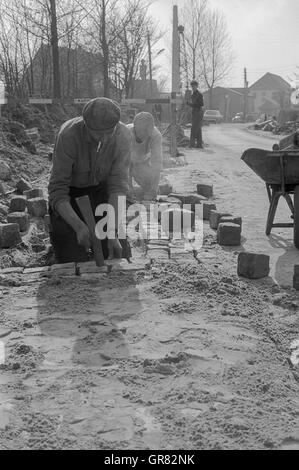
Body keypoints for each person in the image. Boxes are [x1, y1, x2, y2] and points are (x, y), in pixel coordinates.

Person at [48, 97, 132, 264]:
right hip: (71, 195)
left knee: (117, 251)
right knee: (71, 257)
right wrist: (78, 226)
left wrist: (112, 230)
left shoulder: (123, 136)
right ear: (86, 125)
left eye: (110, 132)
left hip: (100, 191)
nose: (105, 139)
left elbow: (118, 186)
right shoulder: (68, 136)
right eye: (99, 134)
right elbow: (58, 190)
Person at [127, 112, 163, 201]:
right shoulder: (126, 133)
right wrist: (128, 188)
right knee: (121, 189)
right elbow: (122, 163)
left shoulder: (156, 135)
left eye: (148, 132)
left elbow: (157, 162)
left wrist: (153, 189)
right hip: (124, 163)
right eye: (143, 131)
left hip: (141, 163)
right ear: (135, 128)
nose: (146, 135)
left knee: (148, 185)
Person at [187, 80, 204, 149]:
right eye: (192, 86)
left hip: (198, 112)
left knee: (194, 128)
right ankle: (199, 144)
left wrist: (191, 104)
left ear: (197, 86)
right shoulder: (192, 95)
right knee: (198, 129)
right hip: (194, 112)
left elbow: (201, 104)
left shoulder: (199, 94)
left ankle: (192, 144)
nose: (193, 87)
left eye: (194, 86)